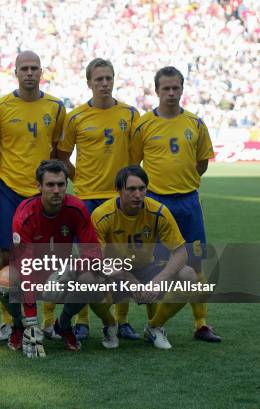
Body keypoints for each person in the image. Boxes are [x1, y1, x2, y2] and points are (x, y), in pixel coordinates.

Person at [131, 66, 220, 342]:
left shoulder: (195, 123)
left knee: (196, 264)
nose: (171, 93)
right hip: (156, 203)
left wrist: (184, 182)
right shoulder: (143, 125)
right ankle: (155, 325)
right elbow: (135, 166)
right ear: (156, 91)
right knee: (152, 264)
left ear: (182, 89)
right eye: (165, 88)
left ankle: (201, 323)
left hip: (188, 202)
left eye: (175, 88)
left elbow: (202, 163)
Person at [0, 160, 117, 357]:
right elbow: (25, 267)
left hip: (62, 277)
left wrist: (71, 269)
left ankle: (64, 325)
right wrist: (31, 322)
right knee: (5, 278)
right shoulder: (25, 213)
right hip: (32, 277)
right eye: (50, 185)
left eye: (61, 184)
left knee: (93, 281)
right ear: (38, 186)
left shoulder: (76, 208)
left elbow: (93, 256)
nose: (56, 190)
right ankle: (19, 327)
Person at [57, 58, 141, 341]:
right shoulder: (76, 117)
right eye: (99, 79)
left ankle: (122, 320)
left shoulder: (130, 114)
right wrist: (79, 177)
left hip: (117, 198)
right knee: (87, 263)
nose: (104, 83)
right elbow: (63, 155)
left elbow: (136, 155)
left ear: (114, 79)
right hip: (87, 199)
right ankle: (82, 321)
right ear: (89, 82)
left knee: (121, 261)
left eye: (108, 78)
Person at [0, 51, 66, 341]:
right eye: (24, 68)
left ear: (41, 71)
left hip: (42, 195)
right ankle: (9, 321)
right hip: (9, 190)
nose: (30, 73)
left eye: (34, 68)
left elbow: (58, 151)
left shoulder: (56, 107)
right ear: (16, 72)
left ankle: (48, 321)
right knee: (7, 254)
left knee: (48, 256)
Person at [91, 165, 198, 349]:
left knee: (189, 276)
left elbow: (181, 253)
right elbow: (96, 260)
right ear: (118, 190)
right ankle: (110, 324)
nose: (138, 194)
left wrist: (158, 280)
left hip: (147, 270)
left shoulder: (159, 211)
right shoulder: (102, 215)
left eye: (142, 188)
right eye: (131, 189)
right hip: (116, 272)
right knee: (88, 282)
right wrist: (129, 280)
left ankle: (154, 327)